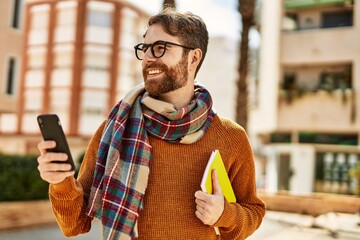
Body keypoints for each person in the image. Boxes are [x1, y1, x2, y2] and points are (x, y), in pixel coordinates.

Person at [37, 9, 265, 240]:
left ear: (193, 57)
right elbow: (75, 224)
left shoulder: (230, 136)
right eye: (144, 49)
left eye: (160, 48)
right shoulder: (116, 128)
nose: (148, 58)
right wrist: (60, 182)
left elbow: (253, 213)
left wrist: (224, 214)